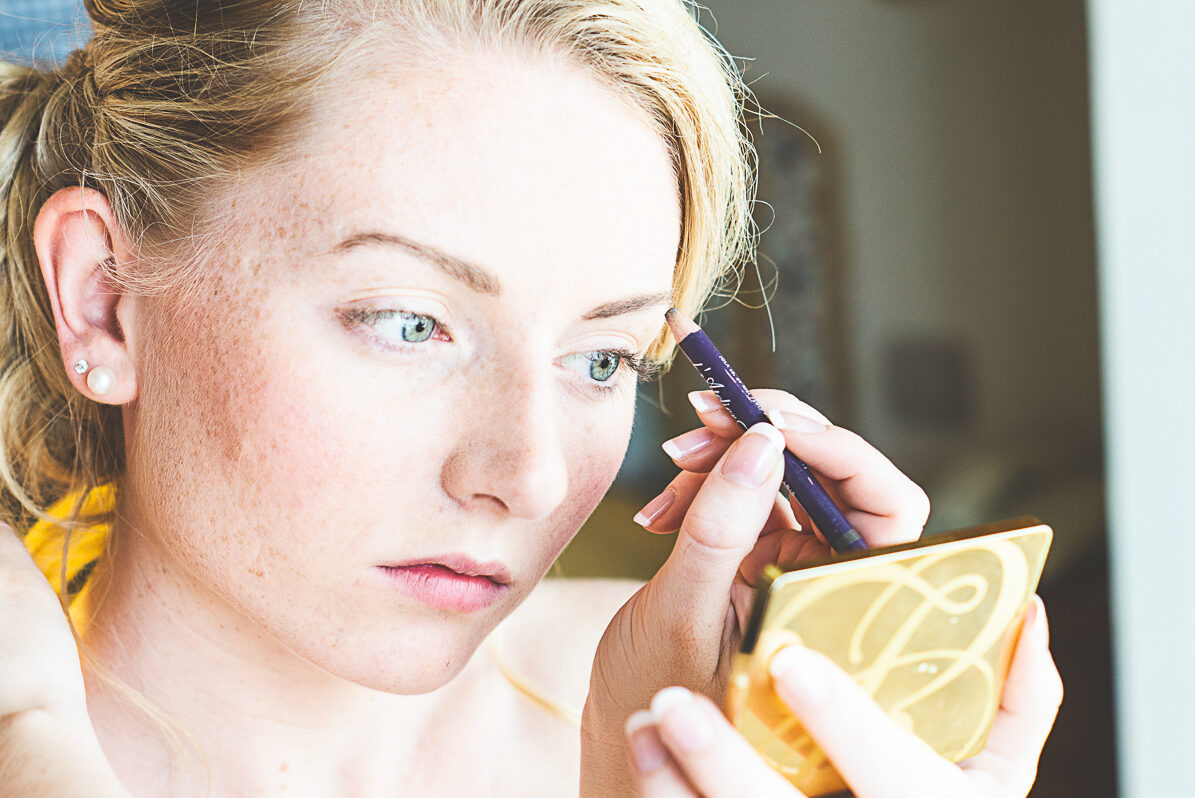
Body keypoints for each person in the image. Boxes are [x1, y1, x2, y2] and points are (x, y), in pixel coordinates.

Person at [0, 1, 1063, 796]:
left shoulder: (703, 714)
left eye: (602, 359)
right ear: (103, 300)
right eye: (411, 323)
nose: (533, 475)